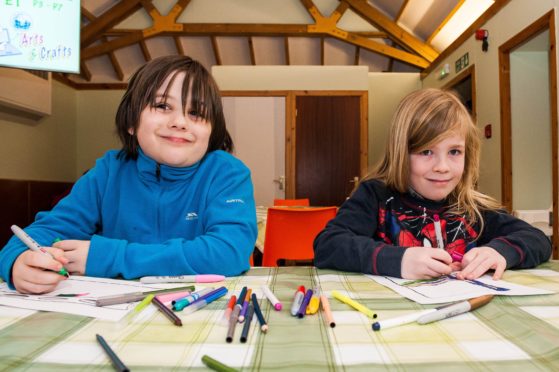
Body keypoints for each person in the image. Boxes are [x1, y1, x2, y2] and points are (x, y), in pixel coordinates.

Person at [0, 56, 257, 294]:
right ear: (132, 122)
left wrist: (110, 257)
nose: (180, 121)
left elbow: (228, 251)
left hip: (201, 307)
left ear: (212, 130)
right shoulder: (109, 171)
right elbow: (40, 234)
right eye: (162, 105)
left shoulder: (227, 173)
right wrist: (16, 262)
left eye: (196, 113)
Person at [314, 88, 551, 280]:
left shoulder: (471, 206)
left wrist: (499, 251)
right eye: (426, 151)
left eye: (455, 151)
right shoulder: (376, 195)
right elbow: (328, 245)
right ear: (401, 153)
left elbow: (537, 239)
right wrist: (399, 260)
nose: (442, 166)